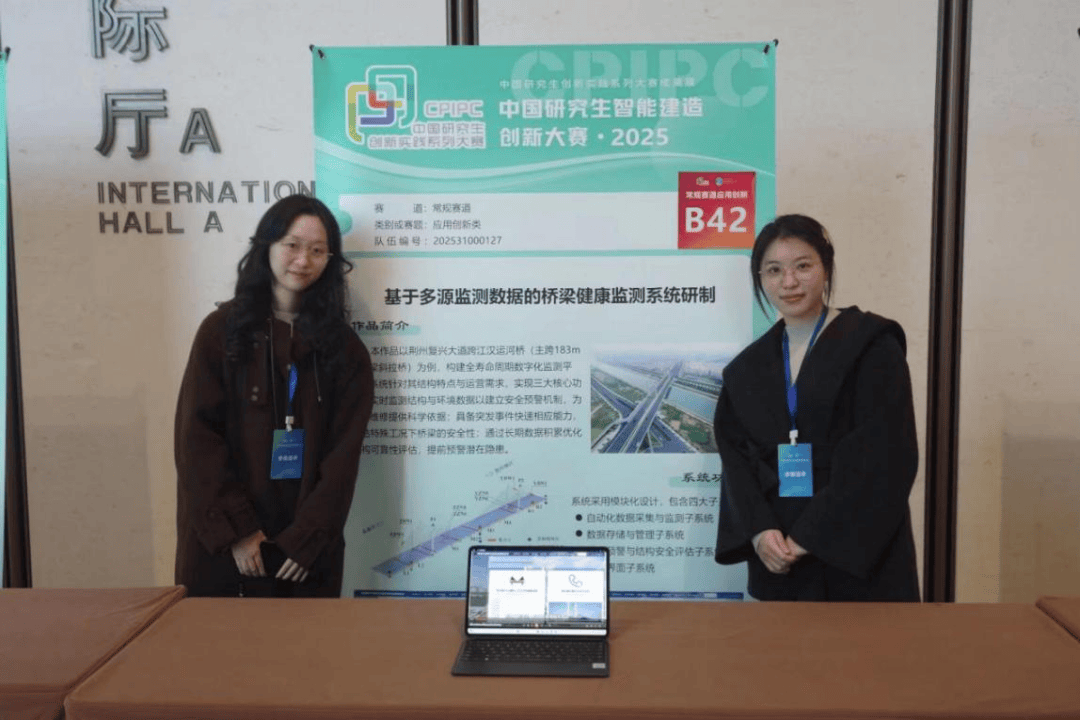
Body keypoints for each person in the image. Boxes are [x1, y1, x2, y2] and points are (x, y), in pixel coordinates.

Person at [174, 195, 374, 597]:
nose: (303, 260)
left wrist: (307, 539)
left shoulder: (345, 349)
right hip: (227, 548)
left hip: (303, 556)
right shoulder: (221, 332)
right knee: (217, 636)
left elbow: (343, 457)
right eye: (292, 245)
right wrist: (240, 531)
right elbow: (196, 441)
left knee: (304, 638)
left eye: (317, 250)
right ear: (266, 246)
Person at [713, 214, 919, 601]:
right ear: (760, 277)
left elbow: (886, 453)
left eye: (803, 266)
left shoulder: (871, 345)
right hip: (777, 555)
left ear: (826, 267)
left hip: (860, 554)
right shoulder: (746, 369)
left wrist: (809, 537)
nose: (788, 282)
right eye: (774, 270)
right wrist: (759, 532)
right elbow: (736, 460)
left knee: (869, 641)